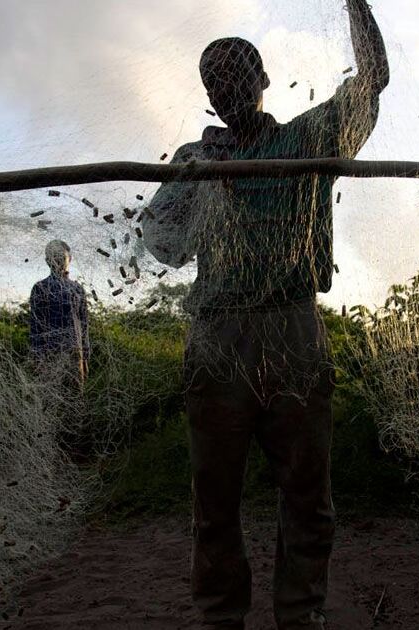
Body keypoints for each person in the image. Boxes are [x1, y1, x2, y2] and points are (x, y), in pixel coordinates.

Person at [142, 2, 388, 627]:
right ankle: (221, 617)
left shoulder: (307, 138)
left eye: (235, 75)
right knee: (214, 502)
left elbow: (374, 79)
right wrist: (198, 186)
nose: (225, 89)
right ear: (207, 95)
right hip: (218, 337)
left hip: (292, 329)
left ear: (262, 82)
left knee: (308, 496)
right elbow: (163, 245)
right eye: (213, 81)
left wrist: (355, 2)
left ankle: (299, 615)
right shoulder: (193, 160)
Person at [29, 240, 91, 381]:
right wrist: (37, 357)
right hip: (49, 354)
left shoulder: (77, 289)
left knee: (75, 397)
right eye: (53, 257)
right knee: (51, 398)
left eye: (61, 257)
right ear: (47, 261)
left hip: (75, 353)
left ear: (70, 258)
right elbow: (36, 326)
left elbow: (84, 324)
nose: (58, 261)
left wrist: (85, 357)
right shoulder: (40, 288)